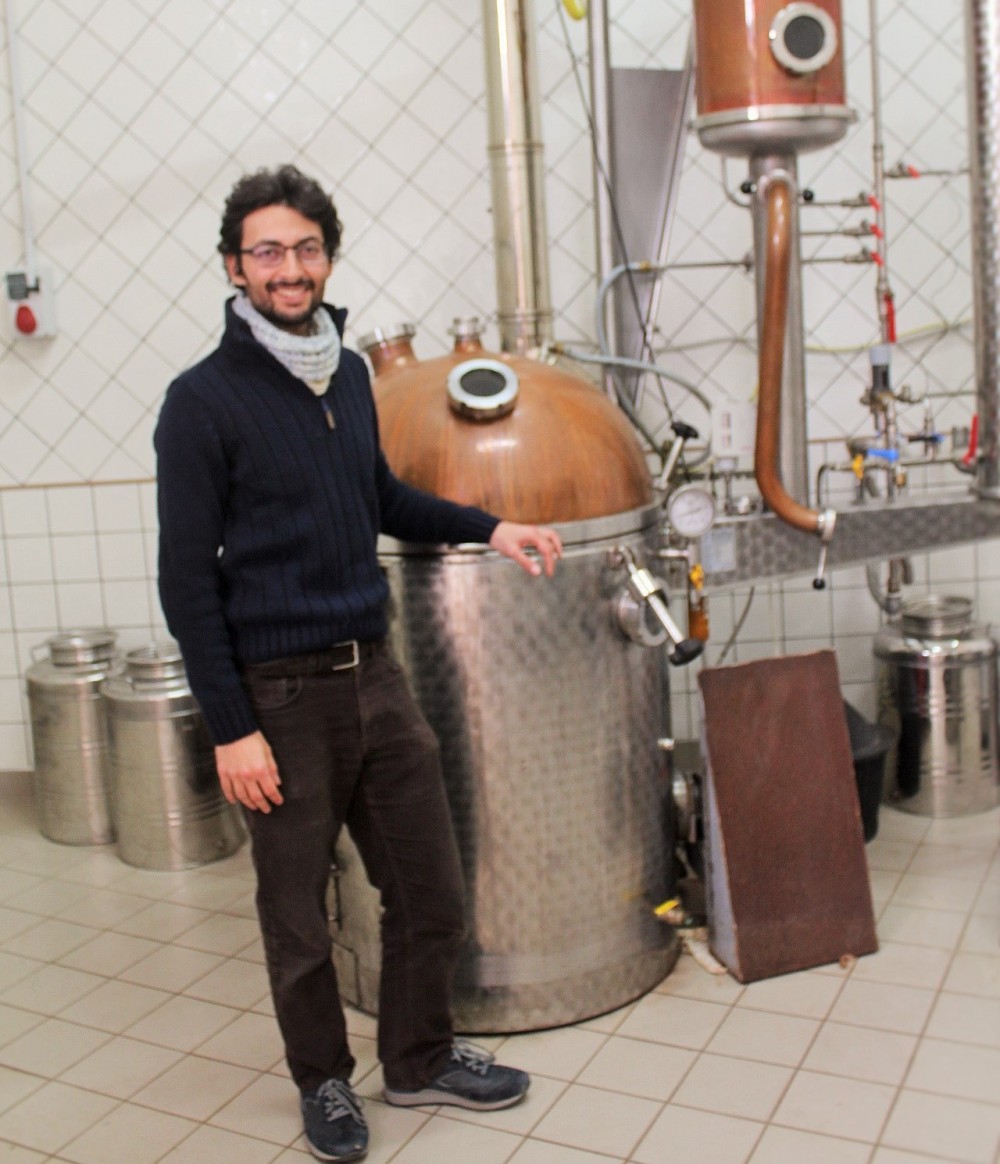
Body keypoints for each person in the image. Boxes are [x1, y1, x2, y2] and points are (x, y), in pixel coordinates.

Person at [154, 164, 563, 1163]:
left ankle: (418, 1059)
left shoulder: (345, 375)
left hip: (374, 674)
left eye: (305, 248)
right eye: (267, 251)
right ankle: (324, 1082)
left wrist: (492, 526)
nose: (289, 268)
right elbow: (184, 582)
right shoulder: (200, 402)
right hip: (279, 695)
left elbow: (379, 499)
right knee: (298, 915)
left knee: (430, 892)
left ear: (327, 259)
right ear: (234, 266)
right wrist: (232, 728)